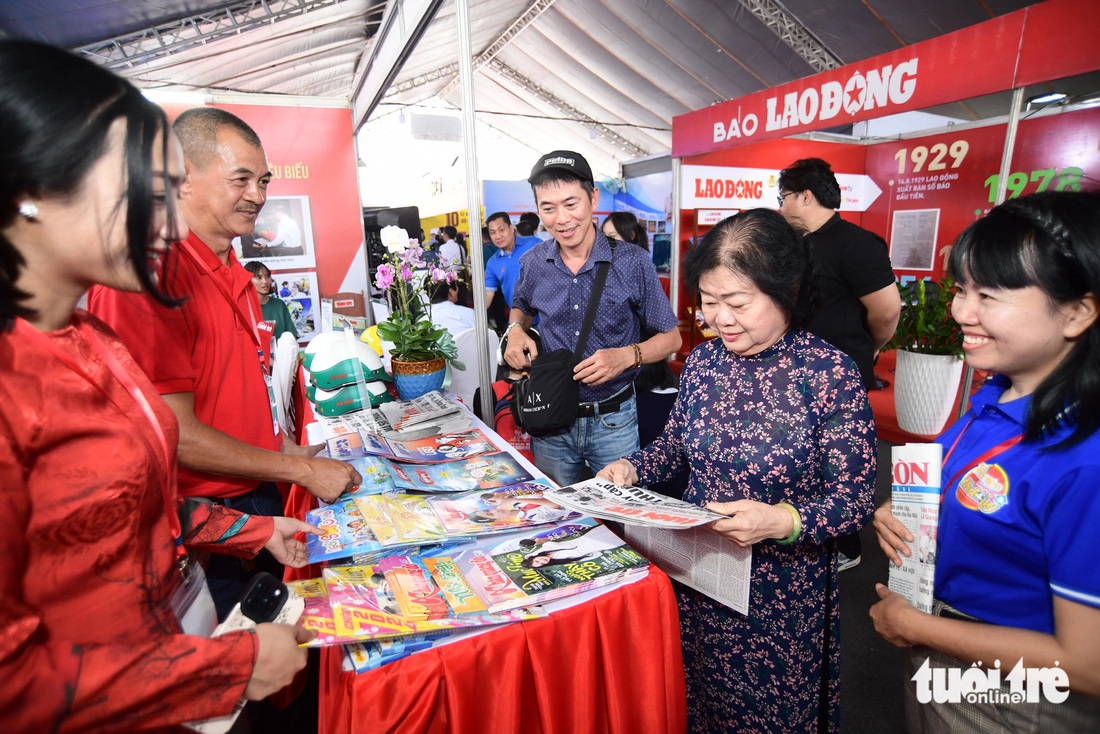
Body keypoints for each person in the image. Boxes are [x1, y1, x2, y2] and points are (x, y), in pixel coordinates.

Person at [0, 39, 317, 730]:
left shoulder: (94, 343)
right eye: (145, 193)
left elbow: (141, 508)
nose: (167, 218)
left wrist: (254, 528)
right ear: (30, 195)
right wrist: (227, 669)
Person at [599, 208, 877, 732]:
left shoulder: (828, 374)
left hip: (781, 599)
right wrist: (630, 468)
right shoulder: (704, 364)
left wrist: (780, 521)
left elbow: (855, 497)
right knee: (697, 705)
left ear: (786, 290)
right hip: (700, 576)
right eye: (708, 303)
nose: (720, 319)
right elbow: (673, 449)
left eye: (737, 303)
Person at [88, 106, 360, 618]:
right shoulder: (153, 275)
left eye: (263, 180)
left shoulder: (233, 268)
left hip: (254, 499)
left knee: (283, 650)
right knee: (238, 672)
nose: (257, 195)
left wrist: (299, 452)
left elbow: (239, 401)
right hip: (202, 526)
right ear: (182, 178)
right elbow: (175, 432)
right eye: (241, 179)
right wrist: (298, 468)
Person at [871, 191, 1100, 731]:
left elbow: (1087, 662)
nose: (960, 312)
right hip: (949, 659)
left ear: (1077, 311)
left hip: (1015, 698)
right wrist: (909, 507)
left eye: (989, 295)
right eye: (961, 289)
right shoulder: (997, 395)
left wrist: (919, 628)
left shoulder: (1084, 460)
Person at [504, 150, 680, 486]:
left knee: (621, 520)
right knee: (557, 515)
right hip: (552, 422)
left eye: (571, 204)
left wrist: (626, 356)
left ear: (593, 198)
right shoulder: (534, 263)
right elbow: (522, 308)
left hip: (614, 420)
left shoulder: (633, 262)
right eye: (549, 208)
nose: (562, 219)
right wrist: (514, 330)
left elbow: (672, 340)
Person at [778, 156, 901, 570]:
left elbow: (885, 312)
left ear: (805, 196)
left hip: (840, 375)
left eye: (784, 198)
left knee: (840, 465)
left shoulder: (855, 243)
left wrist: (869, 348)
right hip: (794, 372)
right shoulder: (797, 245)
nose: (780, 208)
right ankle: (809, 533)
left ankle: (847, 548)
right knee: (801, 460)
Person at [484, 211, 540, 314]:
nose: (498, 236)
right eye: (493, 232)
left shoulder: (534, 244)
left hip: (545, 318)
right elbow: (488, 294)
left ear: (511, 228)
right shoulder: (493, 263)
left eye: (501, 230)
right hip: (518, 320)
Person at [244, 260, 299, 340]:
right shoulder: (241, 307)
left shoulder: (279, 305)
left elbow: (291, 337)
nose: (265, 281)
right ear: (247, 280)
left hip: (280, 352)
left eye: (267, 276)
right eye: (259, 277)